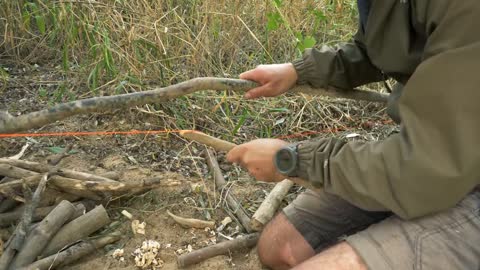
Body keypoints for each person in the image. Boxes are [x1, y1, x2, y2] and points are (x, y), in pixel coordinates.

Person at [226, 1, 480, 269]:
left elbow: (429, 167)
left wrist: (293, 160)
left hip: (439, 167)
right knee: (280, 248)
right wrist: (299, 71)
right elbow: (378, 47)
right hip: (430, 160)